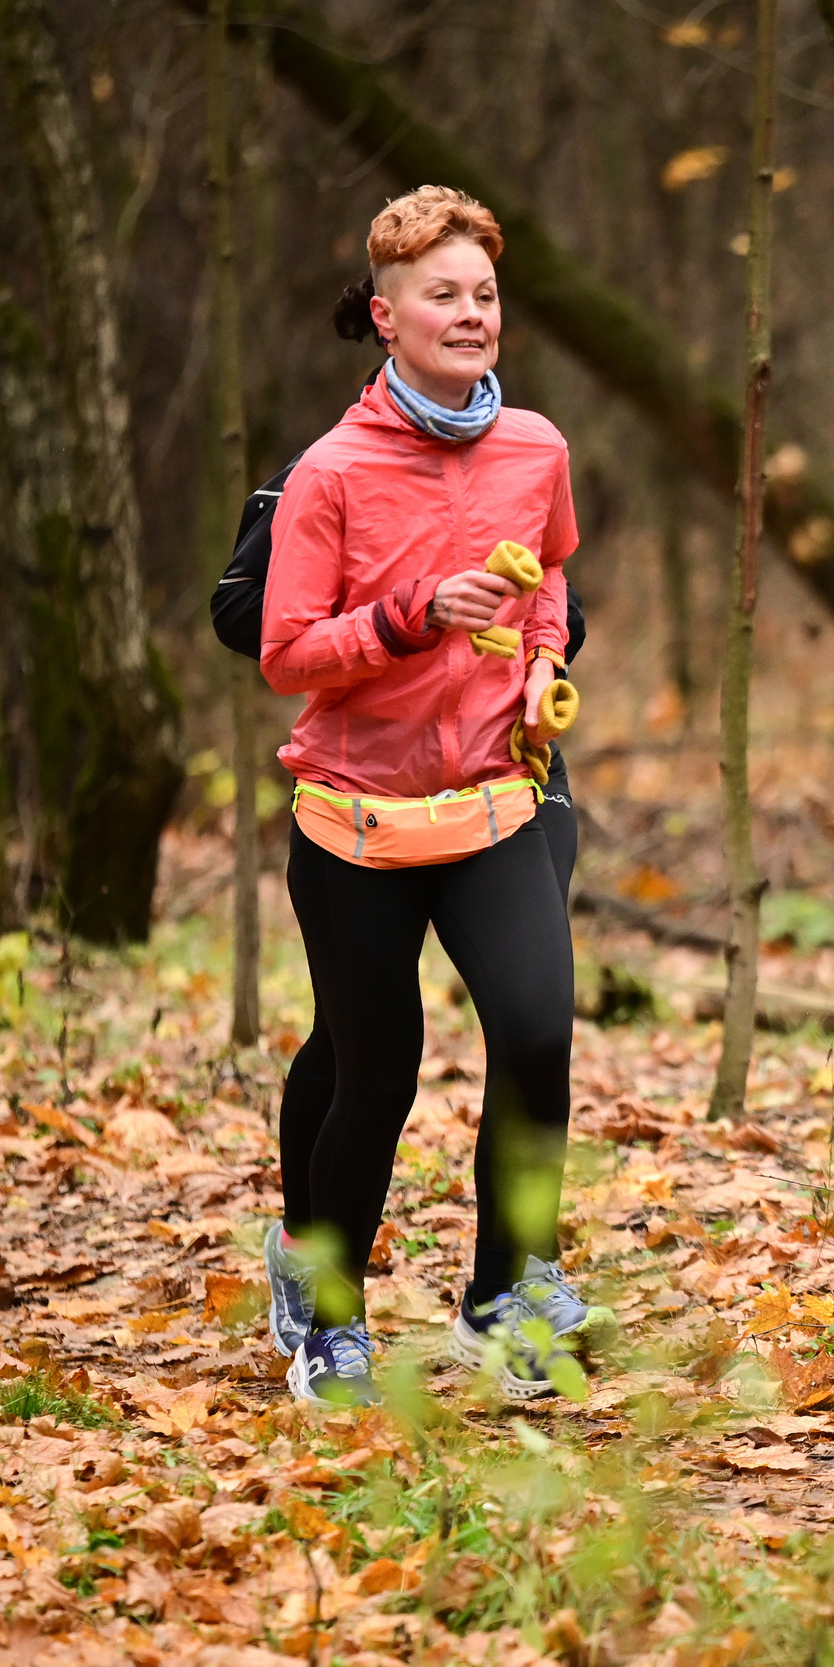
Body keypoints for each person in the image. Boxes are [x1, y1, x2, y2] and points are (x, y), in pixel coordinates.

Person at [254, 186, 588, 1406]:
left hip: (494, 801)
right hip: (356, 821)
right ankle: (327, 1310)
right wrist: (407, 619)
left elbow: (549, 574)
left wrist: (544, 658)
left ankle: (505, 1300)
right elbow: (285, 651)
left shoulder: (537, 448)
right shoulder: (330, 474)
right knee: (375, 1071)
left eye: (484, 295)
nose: (470, 314)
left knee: (539, 1032)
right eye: (442, 296)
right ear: (385, 317)